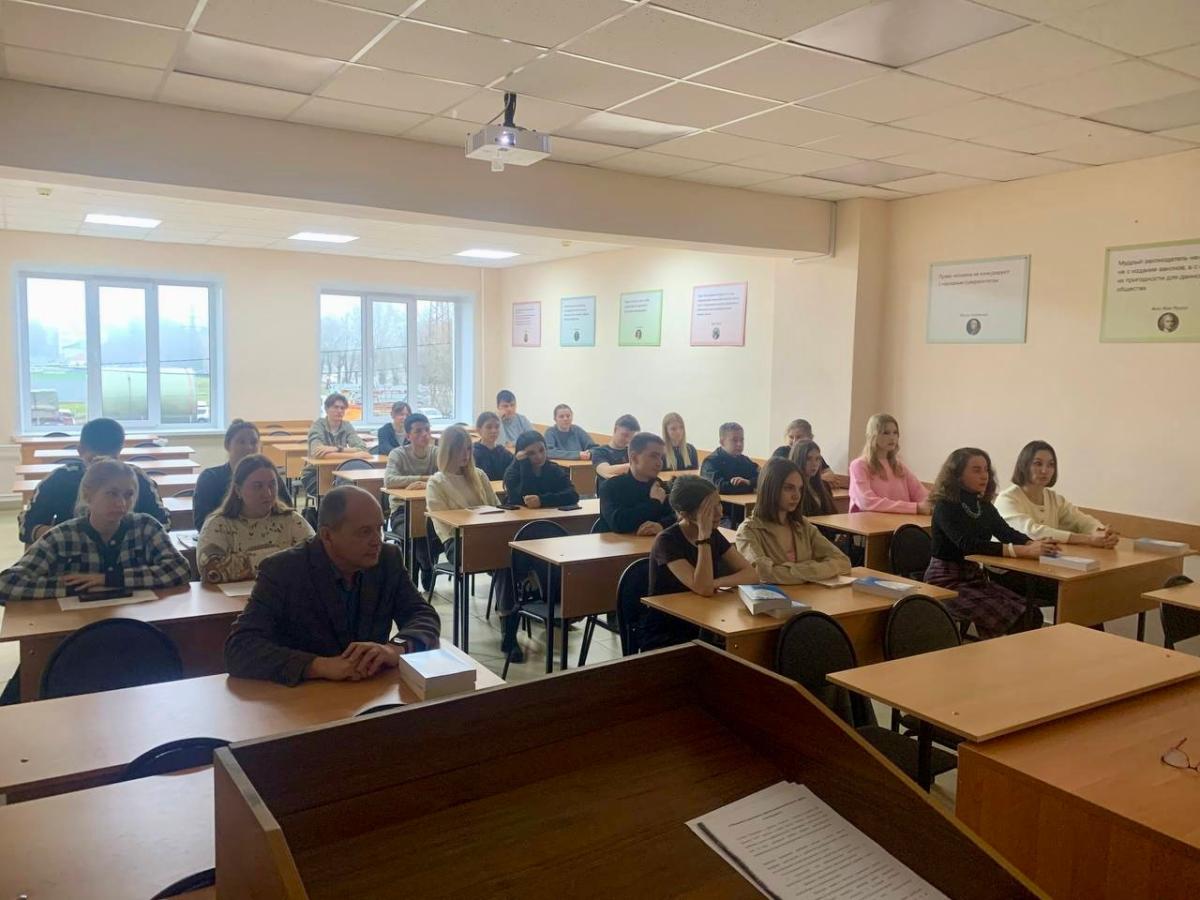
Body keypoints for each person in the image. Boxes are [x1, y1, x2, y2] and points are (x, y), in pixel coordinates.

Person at [223, 485, 441, 685]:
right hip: (306, 697)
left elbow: (423, 615)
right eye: (365, 532)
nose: (377, 541)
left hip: (370, 692)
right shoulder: (283, 570)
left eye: (379, 529)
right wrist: (318, 666)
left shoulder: (387, 559)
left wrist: (395, 649)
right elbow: (239, 648)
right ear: (327, 535)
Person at [0, 458, 190, 602]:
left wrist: (109, 580)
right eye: (111, 493)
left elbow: (180, 569)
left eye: (128, 495)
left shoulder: (147, 527)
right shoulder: (62, 536)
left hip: (135, 624)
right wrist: (77, 586)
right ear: (88, 495)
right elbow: (6, 583)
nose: (121, 503)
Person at [925, 448, 1057, 639]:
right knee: (1021, 618)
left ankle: (993, 651)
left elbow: (1005, 532)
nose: (984, 475)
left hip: (974, 577)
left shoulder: (983, 504)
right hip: (945, 582)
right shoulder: (945, 506)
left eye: (986, 469)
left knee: (1032, 614)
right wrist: (1023, 551)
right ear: (958, 475)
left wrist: (1034, 544)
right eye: (976, 470)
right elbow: (968, 545)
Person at [427, 425, 522, 661]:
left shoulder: (478, 475)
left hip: (487, 537)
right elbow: (444, 522)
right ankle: (510, 629)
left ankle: (509, 631)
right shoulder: (437, 482)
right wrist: (474, 518)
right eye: (460, 450)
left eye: (469, 449)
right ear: (447, 451)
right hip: (456, 542)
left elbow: (495, 507)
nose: (465, 455)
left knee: (509, 560)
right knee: (502, 558)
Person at [643, 475, 757, 650]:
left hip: (705, 623)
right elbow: (703, 588)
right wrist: (703, 538)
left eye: (719, 504)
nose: (720, 513)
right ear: (685, 514)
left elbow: (751, 575)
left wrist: (716, 582)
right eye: (709, 509)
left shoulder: (714, 535)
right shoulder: (666, 541)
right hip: (669, 632)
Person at [17, 417, 170, 544]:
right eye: (93, 460)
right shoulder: (61, 479)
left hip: (126, 558)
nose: (99, 467)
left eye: (109, 460)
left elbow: (162, 523)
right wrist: (68, 538)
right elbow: (27, 526)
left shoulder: (135, 477)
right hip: (71, 557)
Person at [197, 454, 313, 583]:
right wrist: (282, 556)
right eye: (257, 486)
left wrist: (241, 563)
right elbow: (211, 570)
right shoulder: (218, 525)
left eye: (272, 485)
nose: (267, 493)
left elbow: (316, 560)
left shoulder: (292, 520)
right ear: (238, 490)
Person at [735, 458, 851, 584]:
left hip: (810, 594)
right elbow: (762, 573)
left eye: (800, 489)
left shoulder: (802, 525)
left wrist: (795, 571)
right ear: (770, 488)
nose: (796, 495)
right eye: (788, 488)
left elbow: (843, 562)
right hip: (775, 596)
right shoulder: (748, 531)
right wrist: (814, 568)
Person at [995, 441, 1118, 547]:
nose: (1044, 470)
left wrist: (1102, 532)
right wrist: (1089, 539)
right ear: (1024, 465)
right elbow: (1032, 532)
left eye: (1051, 465)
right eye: (1038, 464)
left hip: (1042, 560)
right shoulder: (1007, 499)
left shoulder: (1054, 499)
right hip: (1006, 564)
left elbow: (1081, 520)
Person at [194, 420, 293, 531]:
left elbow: (288, 511)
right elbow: (201, 521)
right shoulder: (210, 478)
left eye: (254, 442)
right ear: (227, 445)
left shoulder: (270, 477)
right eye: (241, 442)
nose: (249, 447)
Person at [848, 413, 930, 515]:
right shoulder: (859, 465)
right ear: (873, 435)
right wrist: (914, 508)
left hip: (897, 521)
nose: (892, 438)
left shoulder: (899, 466)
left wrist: (933, 504)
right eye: (886, 433)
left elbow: (921, 494)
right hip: (868, 522)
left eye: (895, 433)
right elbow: (866, 502)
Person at [598, 432, 675, 535]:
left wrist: (661, 525)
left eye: (661, 457)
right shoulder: (610, 487)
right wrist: (654, 503)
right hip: (619, 544)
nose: (659, 463)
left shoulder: (660, 486)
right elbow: (618, 523)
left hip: (653, 544)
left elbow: (677, 516)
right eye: (653, 456)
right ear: (634, 457)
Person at [300, 392, 369, 496]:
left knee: (356, 489)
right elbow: (317, 453)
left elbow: (363, 449)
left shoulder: (346, 425)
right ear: (326, 409)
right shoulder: (318, 426)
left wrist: (337, 449)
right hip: (315, 474)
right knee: (339, 493)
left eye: (342, 408)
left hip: (341, 471)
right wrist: (354, 456)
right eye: (336, 407)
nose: (339, 411)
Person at [503, 431, 579, 508]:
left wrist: (542, 500)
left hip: (549, 515)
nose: (539, 456)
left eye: (542, 450)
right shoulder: (512, 474)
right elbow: (525, 499)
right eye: (531, 453)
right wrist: (525, 465)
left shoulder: (554, 469)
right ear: (521, 455)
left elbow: (573, 495)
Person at [770, 418, 849, 489]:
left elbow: (830, 475)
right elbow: (783, 479)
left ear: (810, 438)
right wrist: (818, 479)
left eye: (799, 437)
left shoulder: (813, 454)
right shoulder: (781, 452)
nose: (794, 441)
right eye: (791, 437)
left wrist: (815, 479)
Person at [700, 422, 759, 494]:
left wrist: (749, 482)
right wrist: (750, 486)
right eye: (734, 440)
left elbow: (762, 478)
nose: (739, 444)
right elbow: (720, 487)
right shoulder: (710, 462)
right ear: (722, 442)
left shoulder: (744, 460)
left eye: (741, 440)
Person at [788, 439, 838, 517]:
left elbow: (833, 514)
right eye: (808, 459)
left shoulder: (824, 485)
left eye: (817, 459)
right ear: (799, 459)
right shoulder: (794, 488)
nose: (814, 464)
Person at [591, 414, 640, 487]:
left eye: (631, 437)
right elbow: (606, 471)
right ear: (615, 430)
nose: (628, 440)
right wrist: (638, 466)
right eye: (625, 435)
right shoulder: (600, 452)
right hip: (610, 491)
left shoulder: (632, 452)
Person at [472, 411, 514, 482]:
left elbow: (513, 474)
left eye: (497, 427)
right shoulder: (472, 453)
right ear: (479, 430)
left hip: (501, 488)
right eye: (489, 427)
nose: (494, 431)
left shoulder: (504, 453)